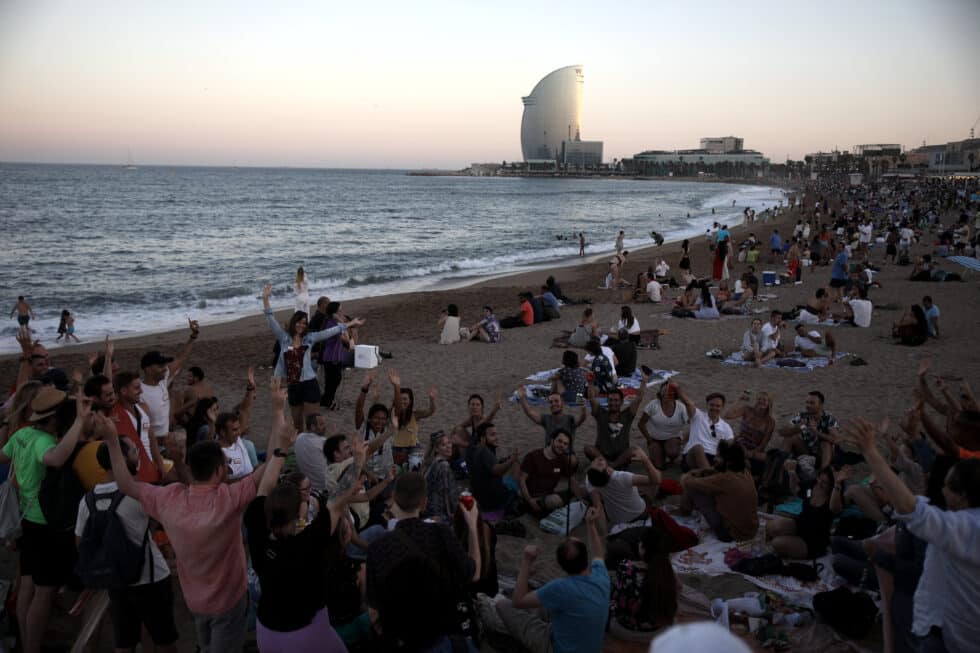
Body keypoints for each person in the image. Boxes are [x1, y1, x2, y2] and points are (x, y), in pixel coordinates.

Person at [103, 380, 287, 653]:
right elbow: (270, 464)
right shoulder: (228, 499)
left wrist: (111, 441)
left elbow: (125, 484)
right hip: (229, 601)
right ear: (220, 471)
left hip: (194, 601)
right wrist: (278, 411)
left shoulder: (169, 498)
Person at [844, 418, 980, 653]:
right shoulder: (962, 521)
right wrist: (916, 434)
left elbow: (912, 510)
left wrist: (870, 452)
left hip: (949, 635)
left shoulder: (967, 527)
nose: (942, 490)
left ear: (962, 495)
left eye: (947, 486)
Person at [245, 403, 352, 652]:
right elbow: (338, 500)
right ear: (297, 516)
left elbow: (265, 485)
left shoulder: (259, 526)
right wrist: (358, 460)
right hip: (304, 632)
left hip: (267, 630)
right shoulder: (305, 543)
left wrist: (281, 449)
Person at [0, 389, 88, 653]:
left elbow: (2, 457)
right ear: (54, 420)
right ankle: (33, 647)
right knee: (45, 592)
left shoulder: (22, 434)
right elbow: (57, 457)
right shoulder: (42, 442)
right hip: (44, 523)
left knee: (29, 582)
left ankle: (27, 644)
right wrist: (80, 422)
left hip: (25, 519)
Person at [74, 438, 178, 653]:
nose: (138, 454)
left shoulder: (87, 500)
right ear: (120, 460)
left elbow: (80, 542)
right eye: (133, 451)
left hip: (116, 579)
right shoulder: (139, 494)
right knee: (164, 639)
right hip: (151, 577)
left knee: (124, 641)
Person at [366, 472, 482, 650]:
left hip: (401, 637)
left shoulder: (377, 548)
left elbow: (373, 612)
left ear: (394, 498)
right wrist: (473, 527)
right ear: (424, 502)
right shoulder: (441, 533)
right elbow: (473, 574)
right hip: (440, 632)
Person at [493, 507, 610, 653]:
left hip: (556, 648)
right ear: (586, 557)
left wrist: (526, 561)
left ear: (562, 566)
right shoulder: (601, 576)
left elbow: (518, 601)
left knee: (501, 604)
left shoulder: (560, 588)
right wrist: (590, 525)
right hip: (589, 645)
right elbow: (599, 554)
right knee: (542, 598)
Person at [263, 283, 363, 429]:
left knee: (313, 424)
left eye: (304, 323)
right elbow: (270, 319)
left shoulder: (309, 338)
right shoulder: (284, 339)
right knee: (298, 424)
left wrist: (351, 323)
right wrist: (265, 299)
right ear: (293, 323)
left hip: (310, 384)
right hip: (293, 386)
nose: (301, 325)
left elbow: (331, 331)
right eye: (299, 322)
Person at [680, 440, 759, 542]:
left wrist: (688, 475)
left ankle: (684, 512)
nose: (715, 458)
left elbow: (687, 482)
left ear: (729, 461)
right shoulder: (744, 472)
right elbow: (717, 471)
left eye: (718, 456)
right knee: (702, 481)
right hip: (751, 531)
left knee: (692, 487)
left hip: (731, 534)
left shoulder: (725, 479)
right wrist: (705, 471)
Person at [608, 526, 678, 639]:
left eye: (641, 542)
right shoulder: (667, 573)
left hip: (627, 629)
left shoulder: (626, 567)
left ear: (643, 548)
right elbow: (678, 589)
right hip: (658, 630)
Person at [139, 317, 200, 445]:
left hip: (167, 437)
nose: (164, 369)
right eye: (160, 366)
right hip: (150, 442)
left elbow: (181, 358)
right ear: (148, 369)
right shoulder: (139, 390)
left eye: (164, 365)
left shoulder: (162, 380)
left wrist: (193, 336)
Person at [766, 465, 842, 558]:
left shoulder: (834, 495)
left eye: (824, 482)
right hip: (800, 525)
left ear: (831, 484)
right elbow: (795, 488)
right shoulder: (813, 484)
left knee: (776, 543)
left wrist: (837, 484)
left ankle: (789, 547)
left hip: (813, 541)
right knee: (771, 527)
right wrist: (792, 472)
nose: (819, 484)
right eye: (819, 479)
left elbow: (835, 509)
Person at [585, 446, 659, 527]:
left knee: (635, 487)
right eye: (599, 463)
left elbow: (598, 505)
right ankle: (653, 499)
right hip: (640, 513)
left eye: (594, 462)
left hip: (616, 520)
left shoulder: (590, 480)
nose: (597, 459)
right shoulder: (622, 477)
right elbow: (655, 480)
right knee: (657, 476)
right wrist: (646, 460)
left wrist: (604, 534)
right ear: (608, 471)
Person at [585, 377, 648, 470]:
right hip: (603, 455)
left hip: (621, 456)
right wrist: (590, 383)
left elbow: (639, 398)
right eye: (610, 400)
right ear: (607, 401)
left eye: (616, 400)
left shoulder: (627, 415)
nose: (613, 403)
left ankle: (611, 465)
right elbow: (591, 398)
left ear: (622, 402)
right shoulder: (600, 413)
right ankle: (611, 465)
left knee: (634, 450)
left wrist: (644, 381)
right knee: (588, 448)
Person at [518, 430, 579, 518]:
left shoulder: (562, 459)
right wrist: (529, 500)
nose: (562, 445)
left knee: (580, 491)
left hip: (549, 495)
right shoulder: (533, 456)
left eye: (565, 444)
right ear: (552, 440)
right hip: (533, 498)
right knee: (555, 500)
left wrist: (581, 497)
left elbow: (571, 479)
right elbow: (521, 479)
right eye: (559, 441)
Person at [779, 390, 841, 473]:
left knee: (825, 443)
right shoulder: (802, 416)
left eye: (812, 403)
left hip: (822, 455)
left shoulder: (828, 418)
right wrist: (797, 428)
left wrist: (816, 432)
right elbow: (781, 432)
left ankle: (823, 473)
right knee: (790, 437)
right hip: (806, 451)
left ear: (821, 405)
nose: (808, 405)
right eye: (807, 402)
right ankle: (779, 467)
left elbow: (837, 440)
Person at [467, 422, 520, 514]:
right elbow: (497, 471)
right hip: (493, 502)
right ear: (483, 438)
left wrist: (505, 461)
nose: (496, 438)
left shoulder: (474, 449)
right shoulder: (484, 451)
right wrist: (512, 460)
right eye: (492, 435)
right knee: (516, 465)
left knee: (509, 467)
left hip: (479, 498)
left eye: (496, 434)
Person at [677, 389, 734, 471]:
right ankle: (709, 477)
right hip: (692, 457)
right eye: (712, 405)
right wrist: (677, 388)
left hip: (714, 458)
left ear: (722, 407)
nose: (714, 408)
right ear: (707, 405)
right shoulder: (698, 416)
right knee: (698, 448)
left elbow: (730, 442)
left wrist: (722, 456)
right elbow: (688, 403)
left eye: (718, 406)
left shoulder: (725, 426)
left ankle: (708, 474)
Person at [723, 390, 775, 477]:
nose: (761, 402)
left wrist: (751, 453)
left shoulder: (770, 421)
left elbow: (763, 444)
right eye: (759, 399)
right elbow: (727, 415)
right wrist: (739, 400)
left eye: (764, 400)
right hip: (740, 444)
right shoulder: (747, 410)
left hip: (754, 450)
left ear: (769, 403)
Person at [517, 385, 587, 449]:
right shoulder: (546, 419)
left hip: (565, 454)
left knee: (573, 461)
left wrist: (583, 408)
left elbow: (581, 419)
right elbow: (530, 412)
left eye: (556, 401)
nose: (553, 404)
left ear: (562, 403)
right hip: (549, 454)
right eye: (551, 402)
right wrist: (522, 397)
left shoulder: (570, 419)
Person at [390, 372, 437, 467]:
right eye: (400, 399)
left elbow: (430, 412)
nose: (403, 401)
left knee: (415, 465)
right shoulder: (394, 413)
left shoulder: (415, 414)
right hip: (396, 448)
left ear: (410, 400)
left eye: (405, 399)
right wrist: (396, 386)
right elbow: (398, 407)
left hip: (413, 448)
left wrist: (432, 399)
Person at [638, 382, 689, 469]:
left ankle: (670, 455)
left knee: (673, 452)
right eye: (664, 390)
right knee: (659, 466)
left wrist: (684, 441)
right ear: (660, 391)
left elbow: (693, 423)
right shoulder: (653, 405)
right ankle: (658, 451)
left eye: (670, 391)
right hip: (655, 439)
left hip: (673, 438)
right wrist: (650, 440)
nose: (667, 393)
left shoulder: (681, 407)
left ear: (675, 393)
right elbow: (641, 424)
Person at [422, 430, 458, 522]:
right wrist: (451, 513)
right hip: (438, 513)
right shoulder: (443, 465)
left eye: (449, 443)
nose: (448, 447)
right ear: (437, 449)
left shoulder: (431, 462)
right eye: (443, 445)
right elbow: (446, 492)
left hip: (428, 509)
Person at [294, 412, 329, 493]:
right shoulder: (323, 442)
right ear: (313, 427)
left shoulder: (299, 437)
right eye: (321, 424)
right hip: (322, 486)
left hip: (305, 482)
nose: (325, 427)